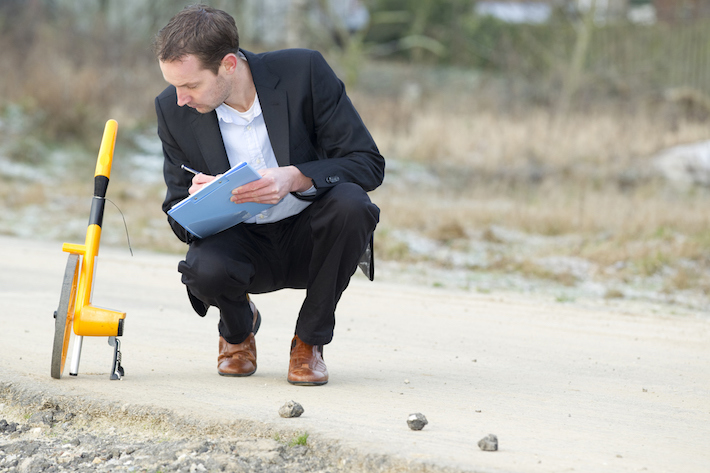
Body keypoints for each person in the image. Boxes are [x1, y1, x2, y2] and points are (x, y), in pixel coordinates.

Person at [153, 4, 384, 386]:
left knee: (353, 205)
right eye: (174, 85)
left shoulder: (304, 72)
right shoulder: (172, 110)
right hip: (241, 246)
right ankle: (238, 331)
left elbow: (368, 164)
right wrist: (200, 201)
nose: (180, 98)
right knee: (201, 270)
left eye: (190, 85)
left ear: (229, 64)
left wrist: (295, 177)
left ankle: (309, 343)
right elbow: (176, 216)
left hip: (310, 239)